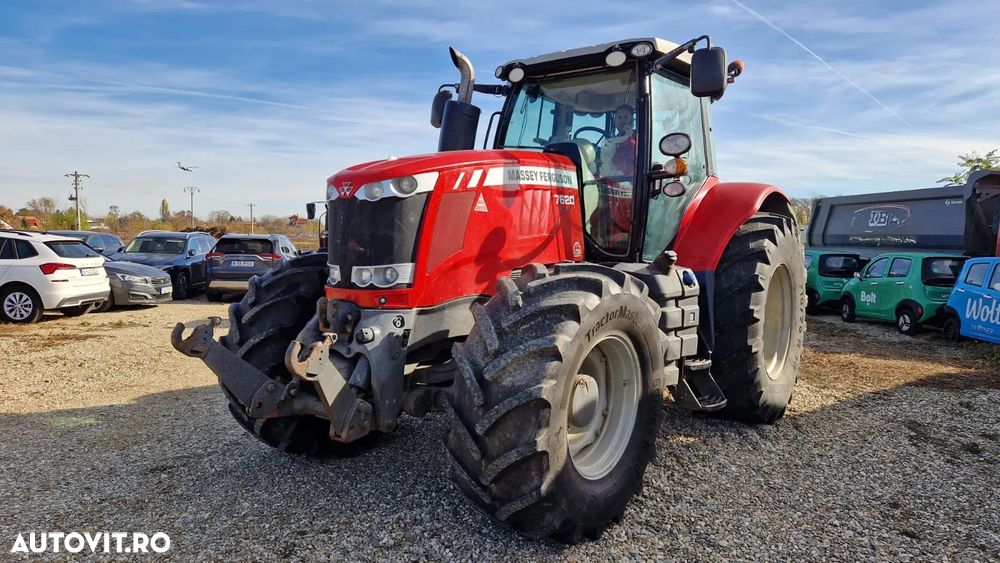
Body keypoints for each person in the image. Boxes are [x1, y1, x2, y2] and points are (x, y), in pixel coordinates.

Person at [589, 104, 637, 250]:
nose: (622, 120)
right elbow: (605, 162)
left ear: (632, 120)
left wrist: (628, 139)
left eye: (626, 117)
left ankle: (620, 241)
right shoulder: (612, 139)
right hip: (609, 183)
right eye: (619, 117)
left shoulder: (637, 138)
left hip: (629, 185)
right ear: (615, 120)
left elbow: (624, 162)